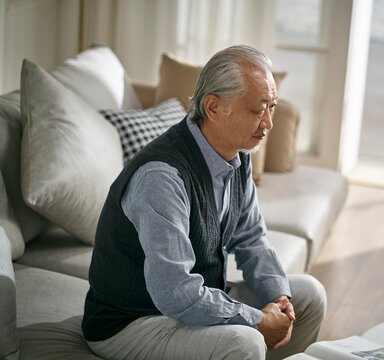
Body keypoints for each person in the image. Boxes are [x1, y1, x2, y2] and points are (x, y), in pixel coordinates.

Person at [82, 45, 327, 360]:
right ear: (213, 107)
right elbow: (175, 293)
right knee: (246, 341)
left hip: (194, 300)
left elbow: (252, 239)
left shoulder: (238, 153)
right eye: (257, 109)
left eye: (272, 107)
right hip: (134, 322)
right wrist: (258, 320)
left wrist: (278, 299)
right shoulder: (162, 177)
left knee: (308, 295)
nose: (267, 123)